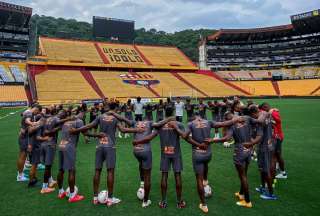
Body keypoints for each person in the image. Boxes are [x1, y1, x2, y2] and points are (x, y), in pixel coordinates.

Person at [70, 102, 141, 206]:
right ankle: (110, 199)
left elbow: (90, 125)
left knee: (97, 171)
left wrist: (76, 130)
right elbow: (123, 130)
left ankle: (95, 198)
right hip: (110, 146)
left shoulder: (100, 116)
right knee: (110, 171)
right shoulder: (115, 118)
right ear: (116, 108)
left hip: (99, 145)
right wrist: (137, 130)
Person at [171, 112, 243, 213]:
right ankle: (206, 181)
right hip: (208, 154)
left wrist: (176, 127)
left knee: (198, 179)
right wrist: (236, 119)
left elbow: (184, 136)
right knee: (205, 165)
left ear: (194, 117)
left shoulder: (191, 124)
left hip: (198, 154)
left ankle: (203, 204)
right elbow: (224, 124)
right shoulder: (208, 122)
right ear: (201, 116)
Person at [206, 112, 264, 208]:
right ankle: (241, 193)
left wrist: (213, 140)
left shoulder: (231, 125)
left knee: (242, 176)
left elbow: (227, 138)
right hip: (249, 148)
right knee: (244, 173)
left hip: (240, 151)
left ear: (227, 119)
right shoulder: (246, 117)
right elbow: (258, 122)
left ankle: (247, 201)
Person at [133, 107, 186, 209]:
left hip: (165, 153)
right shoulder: (178, 124)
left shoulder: (160, 125)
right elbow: (184, 136)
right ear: (174, 112)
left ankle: (163, 201)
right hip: (176, 153)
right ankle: (179, 202)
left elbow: (150, 137)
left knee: (164, 175)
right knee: (177, 175)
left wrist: (138, 142)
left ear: (165, 113)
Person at [56, 110, 86, 203]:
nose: (83, 116)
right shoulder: (79, 121)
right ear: (80, 114)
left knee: (61, 170)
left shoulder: (65, 121)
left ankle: (60, 191)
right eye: (83, 115)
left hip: (61, 145)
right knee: (71, 170)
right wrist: (98, 135)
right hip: (69, 147)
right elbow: (85, 133)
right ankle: (72, 195)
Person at [250, 105, 277, 200]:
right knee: (262, 169)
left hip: (263, 147)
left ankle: (271, 194)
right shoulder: (266, 114)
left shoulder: (259, 121)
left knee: (265, 170)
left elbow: (257, 136)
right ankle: (262, 187)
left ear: (253, 113)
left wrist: (250, 143)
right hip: (269, 145)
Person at [260, 103, 287, 179]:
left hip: (277, 137)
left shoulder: (274, 112)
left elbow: (279, 121)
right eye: (263, 108)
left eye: (266, 107)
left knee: (276, 155)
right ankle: (277, 168)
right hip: (273, 137)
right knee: (275, 155)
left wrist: (271, 115)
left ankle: (283, 173)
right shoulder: (267, 112)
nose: (265, 109)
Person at [16, 104, 42, 182]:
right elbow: (27, 121)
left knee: (23, 155)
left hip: (23, 137)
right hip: (25, 138)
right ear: (36, 109)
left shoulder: (28, 112)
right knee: (22, 155)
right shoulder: (29, 113)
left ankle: (21, 173)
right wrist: (35, 124)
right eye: (38, 112)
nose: (37, 114)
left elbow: (23, 122)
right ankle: (20, 176)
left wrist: (22, 127)